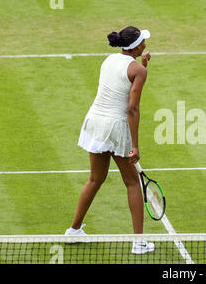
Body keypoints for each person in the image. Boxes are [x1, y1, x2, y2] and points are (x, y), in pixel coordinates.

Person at [64, 26, 154, 254]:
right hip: (115, 126)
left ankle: (73, 231)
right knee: (133, 182)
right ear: (138, 46)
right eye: (143, 40)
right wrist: (134, 146)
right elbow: (132, 109)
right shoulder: (138, 71)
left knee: (95, 178)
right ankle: (139, 243)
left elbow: (121, 83)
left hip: (95, 121)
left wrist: (142, 66)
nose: (145, 43)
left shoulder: (110, 60)